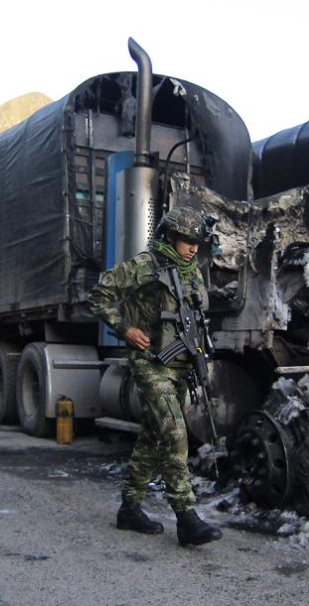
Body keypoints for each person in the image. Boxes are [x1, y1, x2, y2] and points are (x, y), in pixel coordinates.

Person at [89, 206, 222, 547]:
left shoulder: (193, 273)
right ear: (170, 237)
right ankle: (187, 518)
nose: (193, 248)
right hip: (151, 362)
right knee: (175, 435)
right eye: (186, 241)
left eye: (197, 242)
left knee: (152, 438)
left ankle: (129, 509)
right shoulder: (146, 265)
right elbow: (100, 294)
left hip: (180, 365)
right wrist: (126, 329)